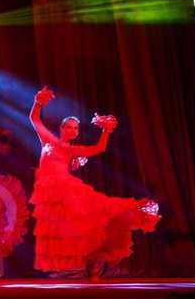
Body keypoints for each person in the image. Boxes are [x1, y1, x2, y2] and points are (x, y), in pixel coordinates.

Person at [29, 86, 160, 278]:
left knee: (83, 225)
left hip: (65, 189)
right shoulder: (47, 140)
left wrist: (105, 129)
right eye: (69, 127)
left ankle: (90, 265)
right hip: (48, 191)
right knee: (60, 230)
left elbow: (99, 148)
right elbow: (34, 118)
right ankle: (79, 266)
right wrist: (38, 102)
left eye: (75, 128)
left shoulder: (74, 150)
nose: (72, 130)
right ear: (61, 128)